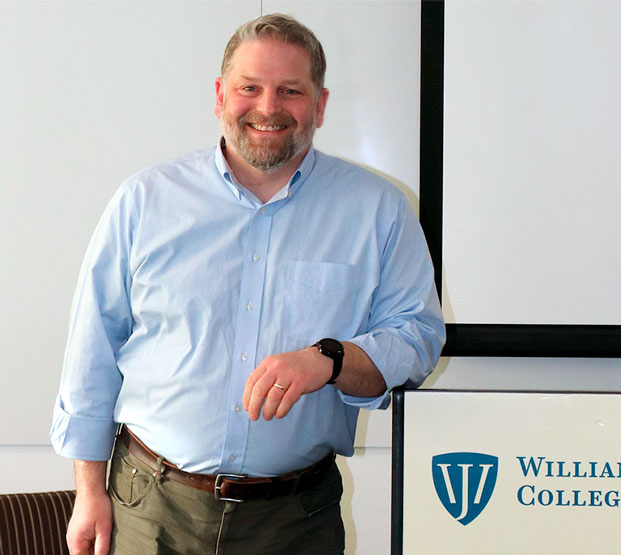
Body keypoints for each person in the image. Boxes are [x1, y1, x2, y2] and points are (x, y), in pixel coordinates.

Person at [50, 13, 444, 555]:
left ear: (321, 105)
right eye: (249, 88)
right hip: (150, 511)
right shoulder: (145, 201)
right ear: (220, 95)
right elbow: (92, 351)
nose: (268, 107)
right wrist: (88, 492)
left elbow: (418, 336)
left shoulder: (378, 211)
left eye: (290, 90)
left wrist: (329, 359)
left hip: (295, 522)